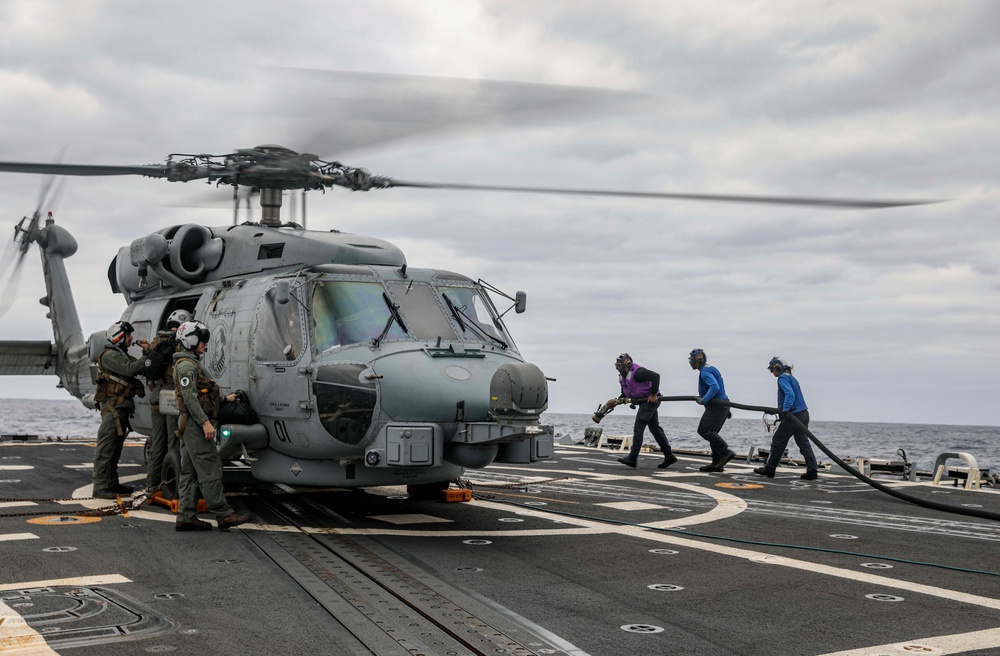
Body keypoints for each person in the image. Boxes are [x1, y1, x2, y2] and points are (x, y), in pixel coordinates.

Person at [173, 321, 251, 531]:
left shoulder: (191, 364)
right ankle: (223, 514)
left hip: (189, 422)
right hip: (194, 423)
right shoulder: (187, 367)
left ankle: (186, 516)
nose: (205, 344)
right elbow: (190, 399)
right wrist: (205, 423)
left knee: (189, 471)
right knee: (209, 466)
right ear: (190, 340)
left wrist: (225, 399)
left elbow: (202, 393)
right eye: (202, 339)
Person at [92, 320, 149, 499]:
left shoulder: (121, 355)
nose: (131, 338)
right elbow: (131, 369)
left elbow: (139, 367)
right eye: (128, 335)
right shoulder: (109, 355)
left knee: (115, 449)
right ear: (119, 337)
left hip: (121, 408)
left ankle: (111, 483)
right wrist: (146, 355)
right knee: (106, 448)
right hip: (113, 409)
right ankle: (100, 487)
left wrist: (147, 353)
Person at [144, 309, 191, 496]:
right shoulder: (180, 344)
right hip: (171, 396)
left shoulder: (157, 341)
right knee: (173, 442)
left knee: (157, 443)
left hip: (156, 396)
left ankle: (152, 485)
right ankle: (168, 484)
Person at [754, 357, 819, 480]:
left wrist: (785, 410)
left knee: (778, 440)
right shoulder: (792, 378)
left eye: (772, 369)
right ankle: (812, 470)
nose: (772, 373)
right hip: (804, 414)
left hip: (794, 416)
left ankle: (770, 469)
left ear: (777, 367)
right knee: (803, 443)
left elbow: (790, 394)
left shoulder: (782, 378)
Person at [611, 353, 677, 469]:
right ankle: (669, 455)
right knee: (655, 428)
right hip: (644, 402)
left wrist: (652, 394)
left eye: (621, 366)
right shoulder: (624, 376)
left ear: (628, 364)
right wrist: (620, 399)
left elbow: (656, 376)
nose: (619, 369)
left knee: (638, 428)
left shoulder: (639, 372)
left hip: (649, 401)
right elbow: (629, 389)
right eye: (617, 367)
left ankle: (632, 458)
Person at [689, 349, 735, 472]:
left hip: (717, 406)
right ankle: (717, 462)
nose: (690, 362)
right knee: (712, 433)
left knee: (704, 430)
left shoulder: (704, 372)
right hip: (722, 405)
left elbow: (715, 387)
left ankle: (725, 452)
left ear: (699, 360)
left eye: (692, 360)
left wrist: (703, 400)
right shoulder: (710, 368)